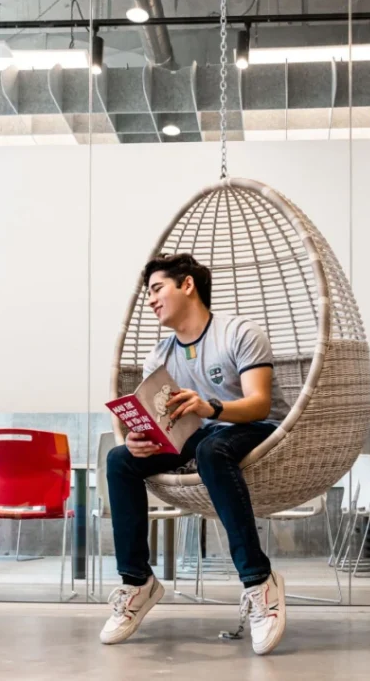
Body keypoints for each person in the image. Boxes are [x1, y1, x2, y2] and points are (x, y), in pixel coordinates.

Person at [100, 253, 291, 655]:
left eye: (157, 289)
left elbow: (259, 404)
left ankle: (259, 581)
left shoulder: (240, 332)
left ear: (187, 285)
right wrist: (140, 438)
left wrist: (211, 407)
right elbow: (160, 420)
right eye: (148, 292)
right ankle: (138, 582)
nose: (150, 300)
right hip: (198, 436)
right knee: (120, 460)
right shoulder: (161, 354)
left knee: (212, 449)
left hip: (251, 430)